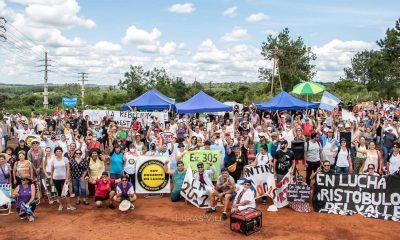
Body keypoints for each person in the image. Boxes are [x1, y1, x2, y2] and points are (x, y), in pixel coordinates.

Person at [51, 146, 75, 211]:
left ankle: (69, 205)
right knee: (59, 192)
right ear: (55, 152)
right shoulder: (53, 160)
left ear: (62, 152)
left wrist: (67, 178)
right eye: (57, 151)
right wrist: (51, 179)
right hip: (56, 178)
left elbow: (68, 169)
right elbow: (52, 170)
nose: (58, 152)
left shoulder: (65, 159)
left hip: (64, 178)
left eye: (60, 151)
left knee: (67, 192)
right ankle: (60, 205)